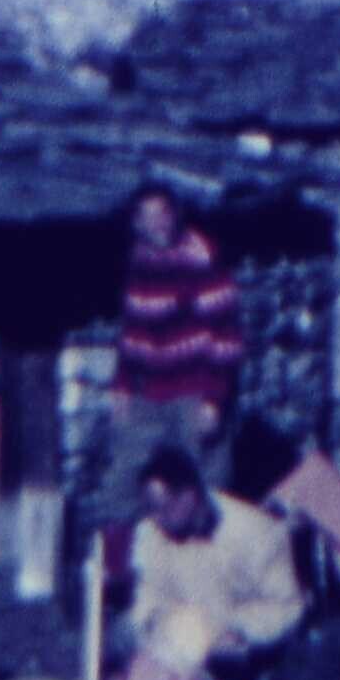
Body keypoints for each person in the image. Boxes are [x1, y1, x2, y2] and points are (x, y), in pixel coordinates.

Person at [110, 447, 308, 680]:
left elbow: (287, 608)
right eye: (150, 509)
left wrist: (238, 629)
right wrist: (153, 623)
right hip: (180, 651)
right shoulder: (151, 534)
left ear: (189, 497)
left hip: (241, 662)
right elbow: (149, 594)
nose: (156, 518)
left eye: (162, 508)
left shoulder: (257, 533)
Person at [105, 183, 247, 500]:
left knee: (205, 482)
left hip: (194, 388)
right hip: (150, 390)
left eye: (163, 214)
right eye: (147, 216)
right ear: (136, 223)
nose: (157, 223)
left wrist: (213, 401)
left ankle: (213, 531)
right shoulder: (140, 260)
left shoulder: (201, 257)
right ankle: (125, 533)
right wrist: (123, 385)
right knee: (125, 479)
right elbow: (134, 330)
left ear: (176, 215)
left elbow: (226, 337)